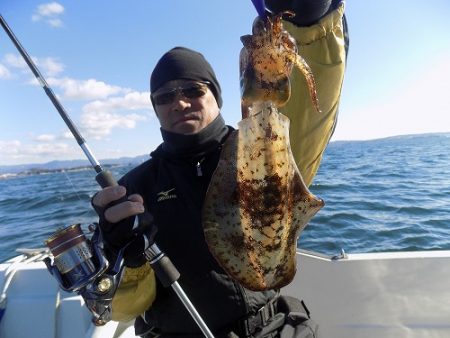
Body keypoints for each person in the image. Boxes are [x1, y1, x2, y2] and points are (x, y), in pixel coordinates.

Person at [92, 0, 348, 337]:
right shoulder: (133, 189)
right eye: (165, 97)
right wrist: (122, 254)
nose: (179, 102)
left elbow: (311, 112)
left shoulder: (267, 147)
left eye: (193, 91)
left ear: (218, 95)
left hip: (271, 327)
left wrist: (312, 20)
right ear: (154, 109)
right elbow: (123, 309)